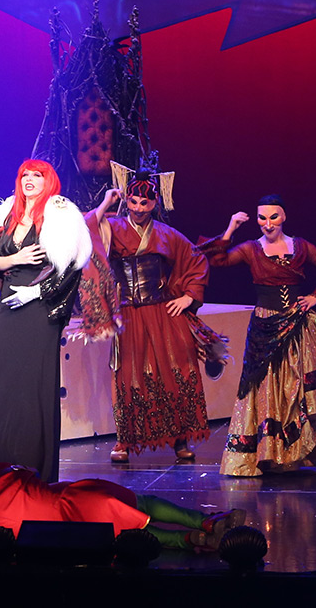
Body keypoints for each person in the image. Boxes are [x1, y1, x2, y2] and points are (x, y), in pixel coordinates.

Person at [0, 159, 112, 483]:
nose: (29, 180)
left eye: (37, 175)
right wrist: (12, 259)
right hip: (9, 303)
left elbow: (72, 267)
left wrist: (36, 293)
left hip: (41, 308)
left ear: (49, 181)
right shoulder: (6, 213)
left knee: (33, 384)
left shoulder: (62, 215)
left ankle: (30, 469)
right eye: (25, 175)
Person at [84, 167, 223, 463]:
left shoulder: (165, 234)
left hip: (162, 312)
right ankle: (124, 440)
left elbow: (196, 259)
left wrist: (188, 296)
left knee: (173, 370)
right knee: (128, 375)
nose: (138, 208)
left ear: (155, 203)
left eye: (144, 203)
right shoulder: (114, 226)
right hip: (128, 315)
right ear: (127, 200)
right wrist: (106, 203)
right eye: (133, 202)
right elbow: (86, 230)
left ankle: (179, 439)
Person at [201, 195, 316, 477]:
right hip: (265, 326)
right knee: (267, 387)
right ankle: (270, 453)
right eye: (262, 218)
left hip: (298, 324)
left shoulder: (300, 246)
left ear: (284, 217)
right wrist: (231, 227)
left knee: (310, 386)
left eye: (273, 217)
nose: (268, 224)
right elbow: (217, 260)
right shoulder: (251, 249)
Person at [0, 450, 249, 554]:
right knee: (142, 502)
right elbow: (32, 473)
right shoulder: (6, 471)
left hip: (64, 525)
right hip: (74, 493)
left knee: (125, 533)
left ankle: (191, 539)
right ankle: (204, 520)